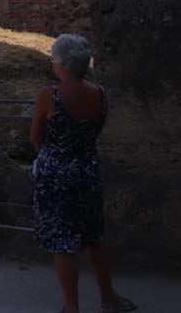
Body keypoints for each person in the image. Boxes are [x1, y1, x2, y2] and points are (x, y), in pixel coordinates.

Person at [30, 34, 135, 313]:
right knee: (94, 235)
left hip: (55, 175)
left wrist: (54, 157)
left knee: (63, 242)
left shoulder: (49, 95)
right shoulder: (100, 93)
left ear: (62, 64)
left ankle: (72, 308)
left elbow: (36, 137)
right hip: (88, 169)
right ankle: (107, 297)